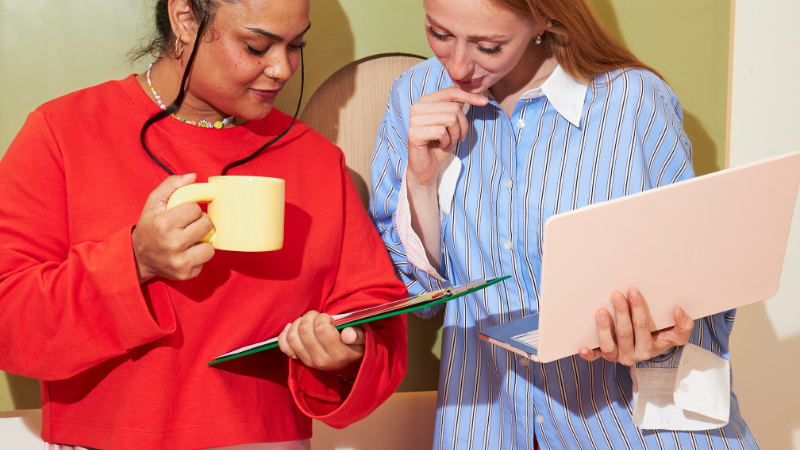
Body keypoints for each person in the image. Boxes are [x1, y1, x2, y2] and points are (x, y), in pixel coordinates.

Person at [0, 0, 408, 449]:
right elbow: (9, 323)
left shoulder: (316, 160)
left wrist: (347, 356)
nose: (282, 68)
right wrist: (134, 261)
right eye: (257, 46)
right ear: (185, 20)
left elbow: (381, 328)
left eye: (296, 46)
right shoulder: (62, 133)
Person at [370, 0, 758, 448]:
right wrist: (421, 183)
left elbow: (700, 294)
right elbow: (413, 299)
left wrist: (660, 339)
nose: (458, 65)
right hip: (489, 427)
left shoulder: (634, 104)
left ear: (544, 17)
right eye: (439, 33)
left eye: (489, 46)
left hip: (628, 430)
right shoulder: (412, 98)